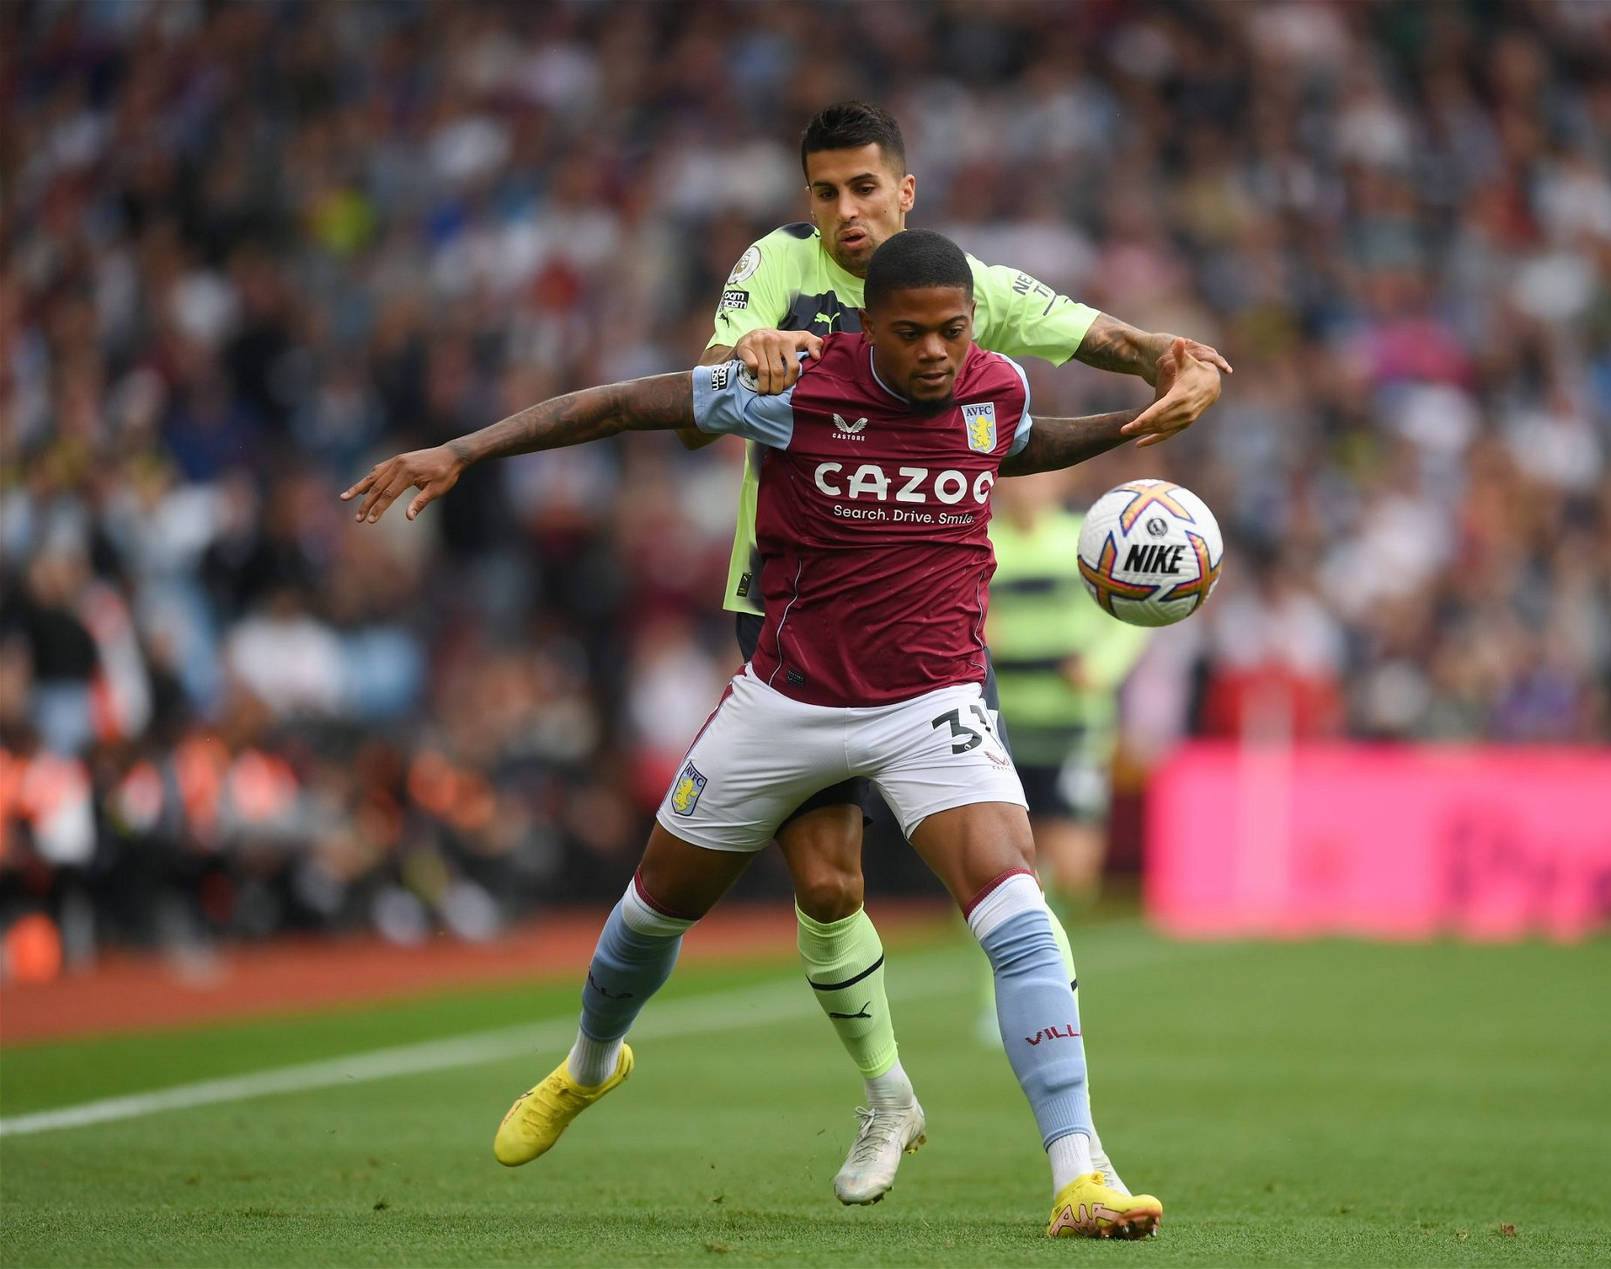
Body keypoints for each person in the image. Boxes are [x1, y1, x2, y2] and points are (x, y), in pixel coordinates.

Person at [342, 229, 1204, 1238]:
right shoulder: (793, 385)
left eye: (954, 332)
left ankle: (1079, 1175)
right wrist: (463, 449)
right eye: (912, 334)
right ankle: (588, 1064)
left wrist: (1137, 422)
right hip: (785, 704)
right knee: (654, 911)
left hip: (932, 705)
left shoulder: (995, 388)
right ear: (867, 324)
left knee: (1018, 911)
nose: (936, 353)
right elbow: (625, 405)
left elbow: (1020, 443)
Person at [679, 100, 1229, 1203]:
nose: (846, 212)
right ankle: (887, 1093)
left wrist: (1183, 367)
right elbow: (706, 378)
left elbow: (1108, 343)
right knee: (830, 887)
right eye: (826, 192)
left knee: (1010, 878)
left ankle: (1076, 1157)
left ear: (906, 190)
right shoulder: (774, 270)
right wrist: (752, 347)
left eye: (865, 188)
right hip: (790, 612)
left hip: (929, 626)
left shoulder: (968, 289)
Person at [981, 471, 1150, 1033]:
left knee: (1073, 870)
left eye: (1040, 479)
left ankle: (1037, 955)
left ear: (1062, 482)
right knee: (1005, 867)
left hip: (1075, 727)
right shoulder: (983, 541)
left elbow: (1132, 617)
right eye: (1019, 479)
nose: (1028, 489)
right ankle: (1015, 986)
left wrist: (1100, 667)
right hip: (1002, 728)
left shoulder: (1086, 540)